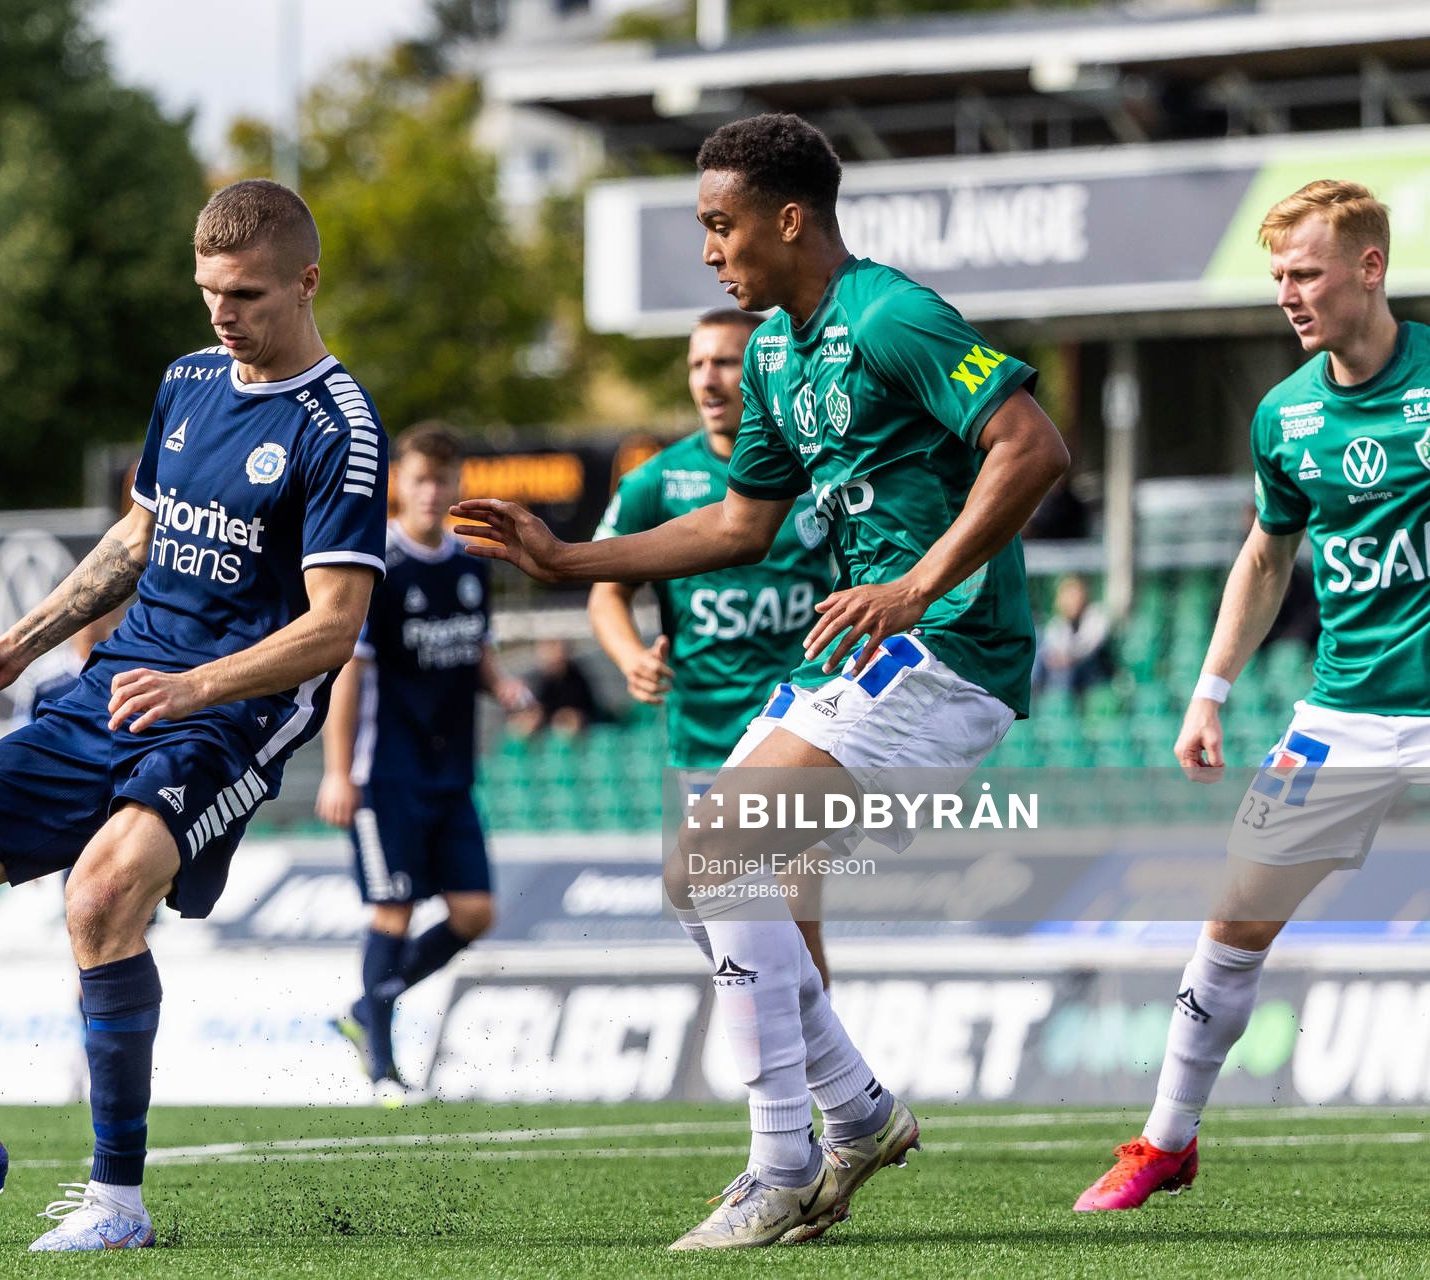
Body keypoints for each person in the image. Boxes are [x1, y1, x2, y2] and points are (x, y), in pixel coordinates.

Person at [453, 112, 1068, 1249]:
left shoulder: (894, 316)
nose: (709, 249)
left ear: (790, 219)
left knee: (722, 855)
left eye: (720, 224)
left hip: (947, 647)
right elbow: (743, 521)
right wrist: (569, 559)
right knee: (703, 880)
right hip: (865, 653)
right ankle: (860, 1111)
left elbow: (1032, 445)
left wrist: (919, 584)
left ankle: (783, 1162)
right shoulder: (781, 349)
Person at [0, 179, 386, 1252]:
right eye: (208, 292)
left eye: (248, 294)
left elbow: (334, 627)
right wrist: (21, 644)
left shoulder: (341, 428)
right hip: (111, 689)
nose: (224, 315)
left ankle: (117, 1204)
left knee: (99, 899)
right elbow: (138, 537)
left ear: (308, 281)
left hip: (226, 717)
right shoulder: (185, 382)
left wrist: (199, 686)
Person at [1075, 181, 1426, 1211]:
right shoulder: (1287, 413)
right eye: (1277, 276)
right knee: (1231, 922)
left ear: (1370, 267)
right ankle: (1165, 1141)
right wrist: (1210, 690)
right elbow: (1269, 550)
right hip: (1345, 711)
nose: (1289, 293)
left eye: (1306, 272)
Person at [587, 307, 841, 985]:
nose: (709, 378)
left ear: (762, 368)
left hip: (797, 733)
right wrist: (631, 656)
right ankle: (795, 1077)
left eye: (726, 361)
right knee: (733, 935)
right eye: (698, 363)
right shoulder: (656, 484)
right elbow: (606, 590)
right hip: (701, 742)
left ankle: (821, 1088)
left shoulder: (818, 474)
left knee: (794, 915)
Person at [316, 423, 532, 1106]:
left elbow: (476, 645)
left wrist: (502, 685)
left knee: (474, 913)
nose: (434, 491)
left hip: (452, 772)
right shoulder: (378, 566)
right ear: (398, 486)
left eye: (444, 479)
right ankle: (382, 1067)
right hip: (387, 775)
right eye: (420, 479)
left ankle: (363, 1008)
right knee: (394, 909)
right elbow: (350, 673)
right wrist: (338, 771)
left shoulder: (470, 564)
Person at [1031, 572, 1114, 696]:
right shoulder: (1057, 623)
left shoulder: (1096, 615)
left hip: (1094, 673)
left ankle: (1060, 703)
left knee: (1065, 672)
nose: (1071, 600)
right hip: (1066, 670)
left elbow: (1089, 647)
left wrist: (1068, 656)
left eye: (1074, 595)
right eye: (1066, 596)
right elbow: (1052, 650)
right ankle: (1039, 698)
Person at [508, 637, 609, 736]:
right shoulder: (536, 681)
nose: (547, 653)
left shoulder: (577, 679)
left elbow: (584, 712)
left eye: (552, 646)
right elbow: (532, 711)